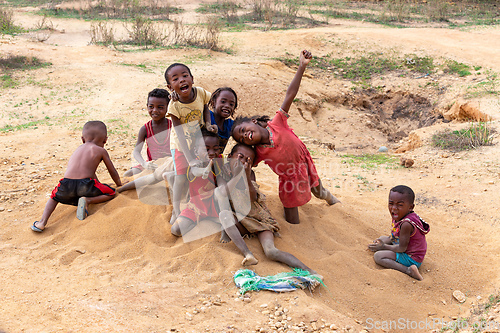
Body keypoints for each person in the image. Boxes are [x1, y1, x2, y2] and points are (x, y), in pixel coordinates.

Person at [231, 50, 339, 224]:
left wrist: (302, 67)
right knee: (291, 217)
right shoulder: (258, 152)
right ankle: (294, 234)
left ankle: (331, 200)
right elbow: (247, 167)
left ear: (253, 121)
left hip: (304, 163)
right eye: (242, 138)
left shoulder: (278, 122)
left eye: (243, 130)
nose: (245, 135)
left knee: (318, 189)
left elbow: (291, 94)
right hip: (288, 180)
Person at [215, 143, 317, 273]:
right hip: (241, 222)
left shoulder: (249, 174)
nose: (242, 162)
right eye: (239, 157)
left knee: (271, 252)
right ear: (229, 157)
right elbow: (223, 193)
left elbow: (251, 198)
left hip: (260, 220)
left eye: (247, 160)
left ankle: (309, 271)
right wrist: (236, 177)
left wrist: (244, 176)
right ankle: (248, 254)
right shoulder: (222, 174)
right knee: (224, 214)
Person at [31, 121, 122, 232]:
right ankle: (87, 200)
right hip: (85, 186)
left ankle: (42, 222)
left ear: (82, 139)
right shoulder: (100, 151)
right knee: (111, 192)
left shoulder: (78, 149)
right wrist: (119, 184)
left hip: (66, 185)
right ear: (105, 140)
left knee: (54, 197)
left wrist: (98, 182)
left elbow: (85, 171)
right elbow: (112, 172)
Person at [165, 63, 217, 224]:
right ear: (170, 87)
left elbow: (206, 107)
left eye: (185, 75)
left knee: (199, 172)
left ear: (192, 79)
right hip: (180, 146)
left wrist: (208, 124)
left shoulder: (201, 93)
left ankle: (193, 198)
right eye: (175, 79)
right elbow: (179, 134)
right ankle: (176, 209)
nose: (181, 80)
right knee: (181, 177)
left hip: (198, 142)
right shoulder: (174, 105)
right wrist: (190, 159)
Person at [368, 185, 430, 281]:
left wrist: (383, 247)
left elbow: (401, 248)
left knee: (378, 256)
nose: (394, 208)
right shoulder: (401, 215)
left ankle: (408, 270)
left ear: (410, 207)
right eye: (391, 203)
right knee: (382, 238)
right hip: (407, 247)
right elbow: (395, 235)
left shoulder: (406, 224)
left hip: (411, 258)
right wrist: (383, 242)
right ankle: (383, 246)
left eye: (400, 205)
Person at [118, 88, 174, 194]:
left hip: (168, 163)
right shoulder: (145, 129)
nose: (155, 111)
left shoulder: (173, 126)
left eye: (160, 107)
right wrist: (144, 163)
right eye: (151, 107)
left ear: (168, 107)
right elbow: (136, 151)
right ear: (147, 106)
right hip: (152, 164)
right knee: (127, 174)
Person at [170, 129, 222, 237]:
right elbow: (195, 172)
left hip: (215, 206)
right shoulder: (195, 165)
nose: (212, 152)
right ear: (196, 151)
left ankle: (211, 219)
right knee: (176, 229)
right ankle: (201, 222)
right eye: (206, 149)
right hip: (196, 207)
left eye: (216, 149)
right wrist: (204, 170)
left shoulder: (219, 161)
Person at [208, 87, 237, 154]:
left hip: (215, 162)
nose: (227, 106)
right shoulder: (207, 116)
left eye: (231, 104)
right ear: (213, 103)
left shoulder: (229, 125)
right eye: (223, 102)